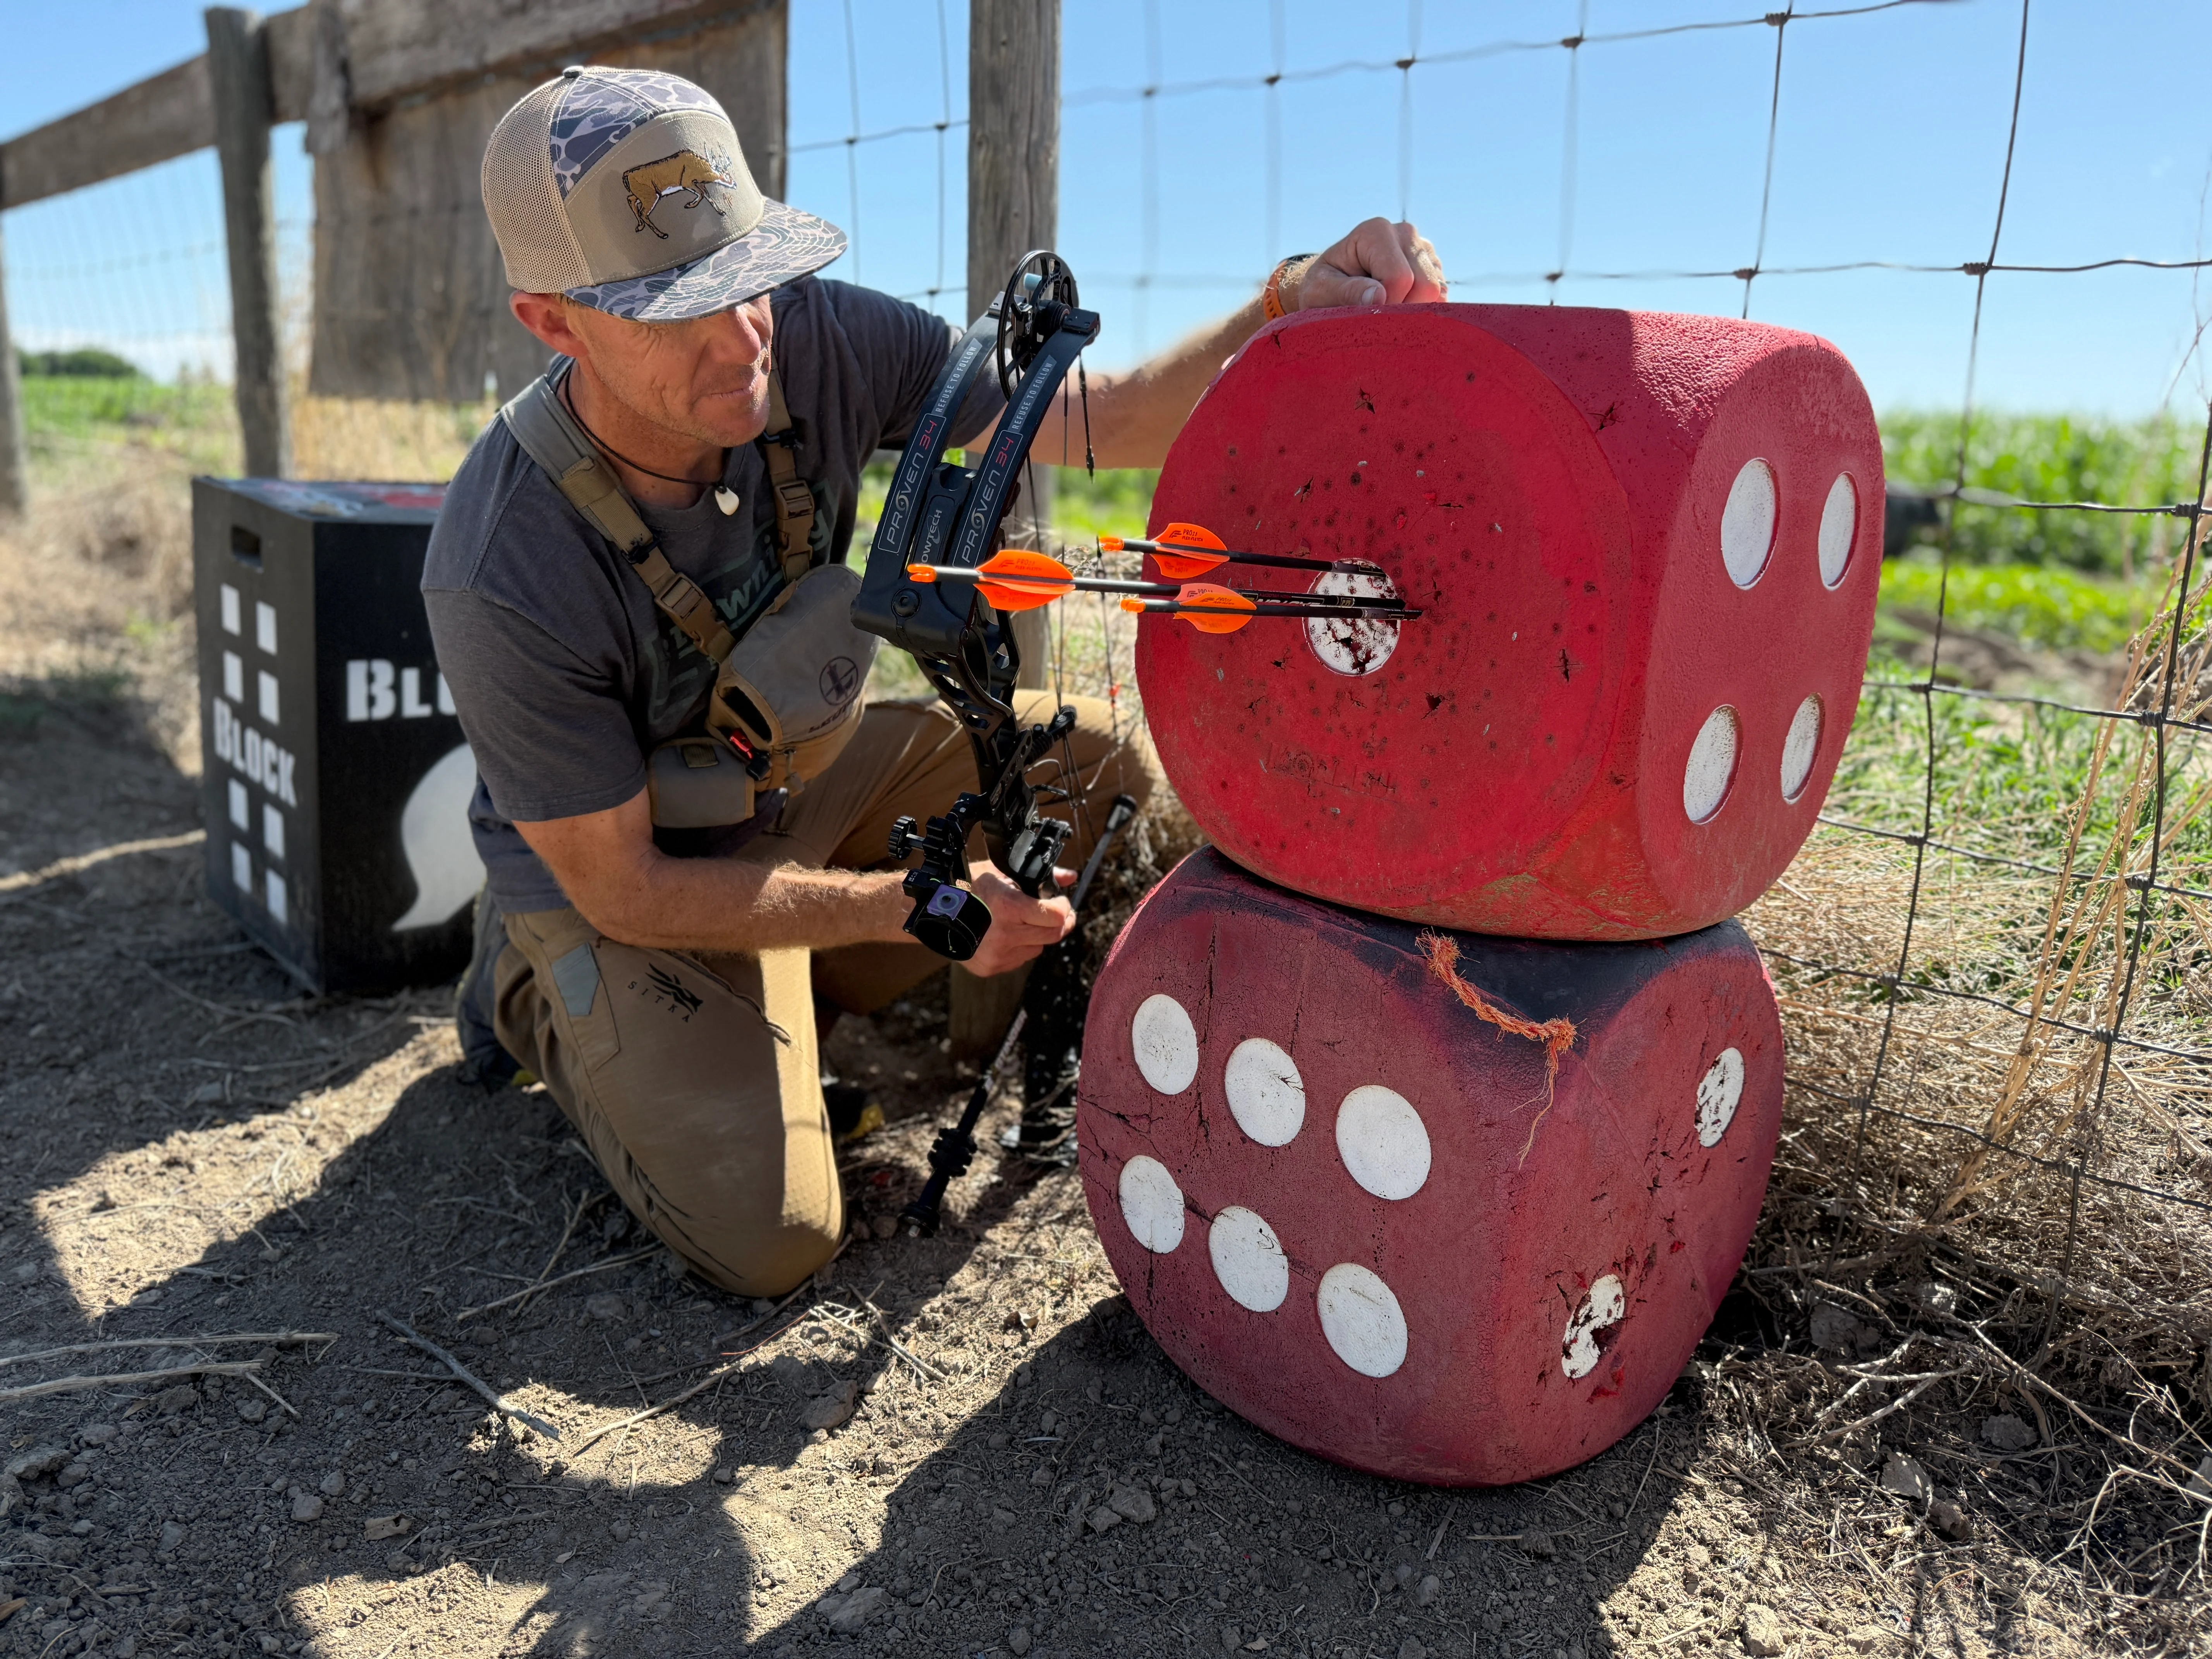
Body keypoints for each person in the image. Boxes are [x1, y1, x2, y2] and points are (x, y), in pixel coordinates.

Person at [424, 65, 1449, 1297]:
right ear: (553, 322)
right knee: (775, 1242)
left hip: (785, 792)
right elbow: (630, 882)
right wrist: (909, 909)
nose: (743, 334)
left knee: (1081, 766)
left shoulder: (814, 339)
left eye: (749, 277)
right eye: (674, 308)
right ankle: (537, 991)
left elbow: (1085, 417)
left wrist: (1282, 301)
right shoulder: (502, 565)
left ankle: (793, 990)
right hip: (622, 879)